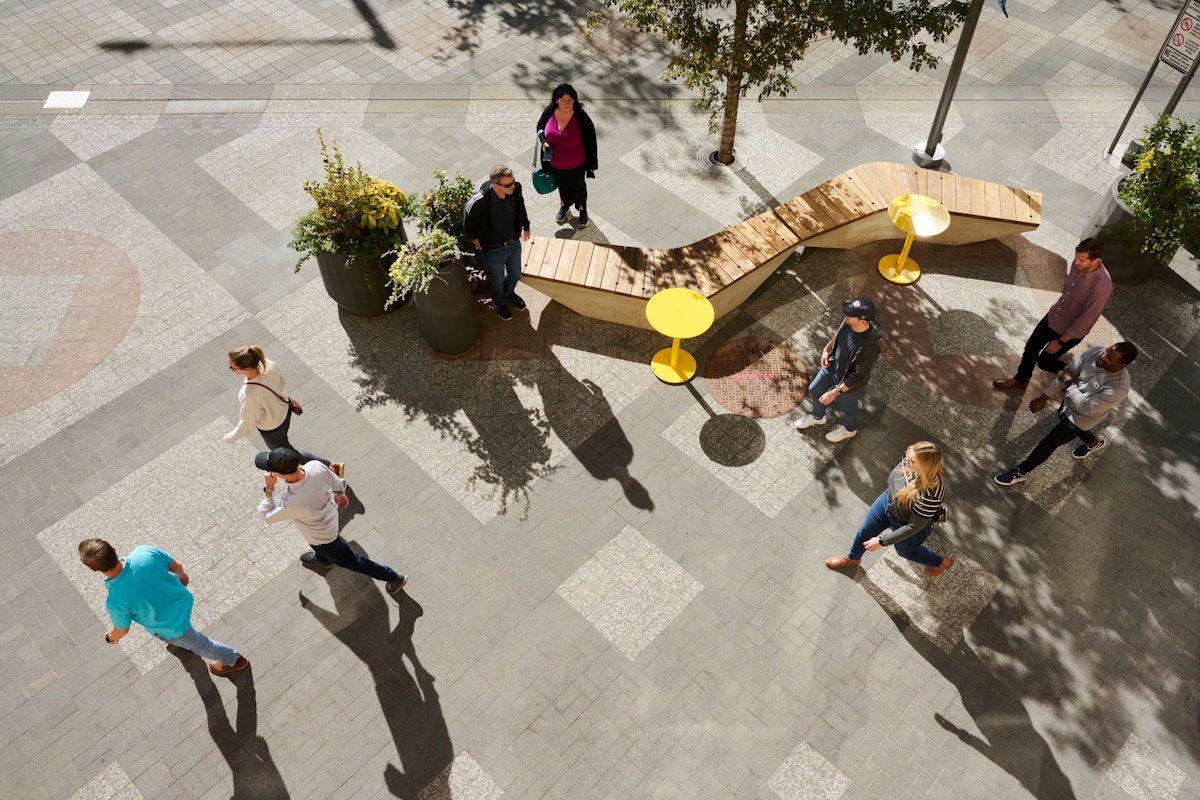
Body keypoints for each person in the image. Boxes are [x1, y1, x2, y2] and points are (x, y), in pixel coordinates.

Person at [79, 538, 249, 676]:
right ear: (114, 549)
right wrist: (181, 574)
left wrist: (110, 636)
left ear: (94, 570)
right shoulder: (144, 552)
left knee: (200, 644)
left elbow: (122, 630)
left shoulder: (116, 601)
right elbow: (175, 565)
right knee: (183, 638)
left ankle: (234, 659)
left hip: (172, 627)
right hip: (183, 600)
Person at [256, 447, 408, 596]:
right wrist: (340, 493)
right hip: (329, 518)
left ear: (280, 475)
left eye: (270, 469)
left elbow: (268, 517)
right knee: (319, 548)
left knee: (353, 562)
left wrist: (268, 489)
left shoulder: (292, 501)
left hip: (322, 537)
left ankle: (394, 578)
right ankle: (323, 560)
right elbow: (336, 482)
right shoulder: (315, 466)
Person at [994, 342, 1136, 485]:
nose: (1103, 356)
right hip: (1069, 403)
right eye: (1106, 351)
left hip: (1083, 418)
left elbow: (1086, 408)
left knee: (1049, 443)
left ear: (1122, 365)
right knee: (1065, 421)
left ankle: (1021, 472)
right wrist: (1044, 398)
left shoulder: (1118, 388)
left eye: (1110, 358)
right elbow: (1067, 372)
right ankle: (1094, 443)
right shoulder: (1096, 352)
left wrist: (1069, 382)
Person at [993, 238, 1112, 392]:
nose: (1076, 263)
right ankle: (1021, 379)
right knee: (1031, 348)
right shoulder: (1079, 265)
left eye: (1081, 260)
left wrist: (1060, 342)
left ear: (1095, 260)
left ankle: (1076, 376)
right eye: (1076, 257)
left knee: (1045, 362)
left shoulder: (1101, 287)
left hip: (1069, 331)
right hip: (1054, 316)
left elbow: (1085, 321)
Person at [825, 442, 952, 577]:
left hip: (906, 522)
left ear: (924, 466)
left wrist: (881, 541)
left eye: (911, 460)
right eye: (907, 455)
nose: (905, 460)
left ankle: (939, 562)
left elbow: (913, 527)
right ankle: (852, 559)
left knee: (906, 552)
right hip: (888, 501)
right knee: (865, 531)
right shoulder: (908, 463)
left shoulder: (931, 493)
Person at [224, 345, 343, 477]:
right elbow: (281, 382)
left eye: (232, 368)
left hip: (273, 428)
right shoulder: (267, 363)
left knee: (288, 454)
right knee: (286, 449)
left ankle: (330, 467)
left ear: (246, 368)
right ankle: (329, 467)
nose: (232, 370)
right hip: (285, 409)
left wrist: (230, 437)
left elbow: (247, 423)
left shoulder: (249, 394)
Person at [794, 298, 881, 442]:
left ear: (863, 322)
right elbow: (837, 335)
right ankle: (818, 417)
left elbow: (859, 377)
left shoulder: (869, 346)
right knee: (815, 389)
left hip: (849, 382)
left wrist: (834, 393)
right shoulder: (847, 321)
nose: (845, 314)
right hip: (832, 366)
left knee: (848, 408)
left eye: (850, 314)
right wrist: (826, 350)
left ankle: (850, 430)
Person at [463, 165, 532, 321]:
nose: (513, 186)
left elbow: (521, 207)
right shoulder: (479, 201)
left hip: (513, 244)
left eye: (513, 181)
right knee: (497, 281)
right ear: (495, 186)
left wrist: (526, 226)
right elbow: (467, 219)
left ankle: (509, 294)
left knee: (515, 274)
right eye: (508, 185)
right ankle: (500, 302)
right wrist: (473, 236)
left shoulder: (515, 189)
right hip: (494, 250)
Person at [536, 83, 598, 227]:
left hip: (576, 163)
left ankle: (582, 210)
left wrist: (592, 165)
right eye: (563, 100)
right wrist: (543, 141)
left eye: (570, 100)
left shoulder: (581, 116)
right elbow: (539, 127)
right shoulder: (550, 111)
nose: (567, 103)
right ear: (556, 100)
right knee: (562, 186)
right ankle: (564, 205)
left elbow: (591, 141)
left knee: (579, 187)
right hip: (555, 163)